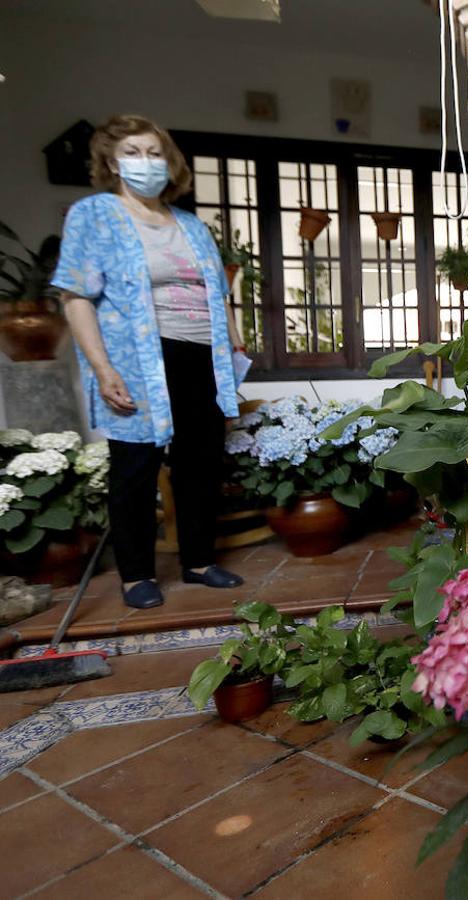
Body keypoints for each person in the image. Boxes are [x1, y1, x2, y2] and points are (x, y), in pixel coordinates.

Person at [51, 114, 246, 610]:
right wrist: (102, 368)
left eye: (154, 153)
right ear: (112, 163)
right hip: (138, 358)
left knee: (199, 463)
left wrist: (234, 342)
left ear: (170, 162)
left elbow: (218, 292)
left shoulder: (191, 225)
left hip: (203, 354)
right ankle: (136, 573)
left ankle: (199, 562)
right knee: (135, 467)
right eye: (133, 153)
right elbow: (76, 295)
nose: (145, 163)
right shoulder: (94, 214)